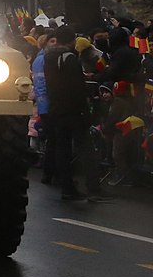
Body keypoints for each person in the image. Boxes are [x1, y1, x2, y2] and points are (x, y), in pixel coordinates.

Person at [44, 26, 111, 202]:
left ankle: (67, 187)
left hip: (56, 108)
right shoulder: (70, 58)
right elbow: (76, 87)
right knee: (86, 148)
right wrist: (85, 109)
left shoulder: (48, 57)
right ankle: (94, 188)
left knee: (63, 149)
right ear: (72, 39)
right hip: (73, 110)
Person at [31, 33, 56, 184]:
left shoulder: (43, 58)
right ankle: (49, 173)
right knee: (53, 142)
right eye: (52, 41)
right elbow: (41, 85)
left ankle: (49, 173)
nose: (55, 44)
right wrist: (45, 108)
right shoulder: (42, 60)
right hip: (48, 106)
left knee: (52, 142)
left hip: (47, 106)